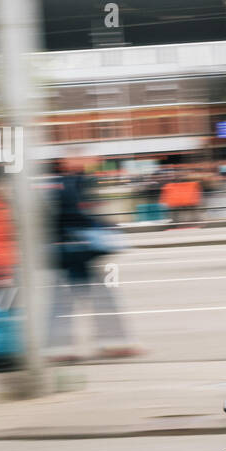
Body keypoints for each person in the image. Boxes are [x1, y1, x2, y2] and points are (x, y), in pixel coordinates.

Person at [47, 153, 142, 362]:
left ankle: (61, 347)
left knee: (70, 300)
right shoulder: (67, 184)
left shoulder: (75, 182)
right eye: (80, 157)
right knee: (94, 297)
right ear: (66, 162)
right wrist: (105, 226)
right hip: (73, 249)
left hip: (74, 250)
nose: (88, 160)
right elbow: (75, 215)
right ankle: (111, 343)